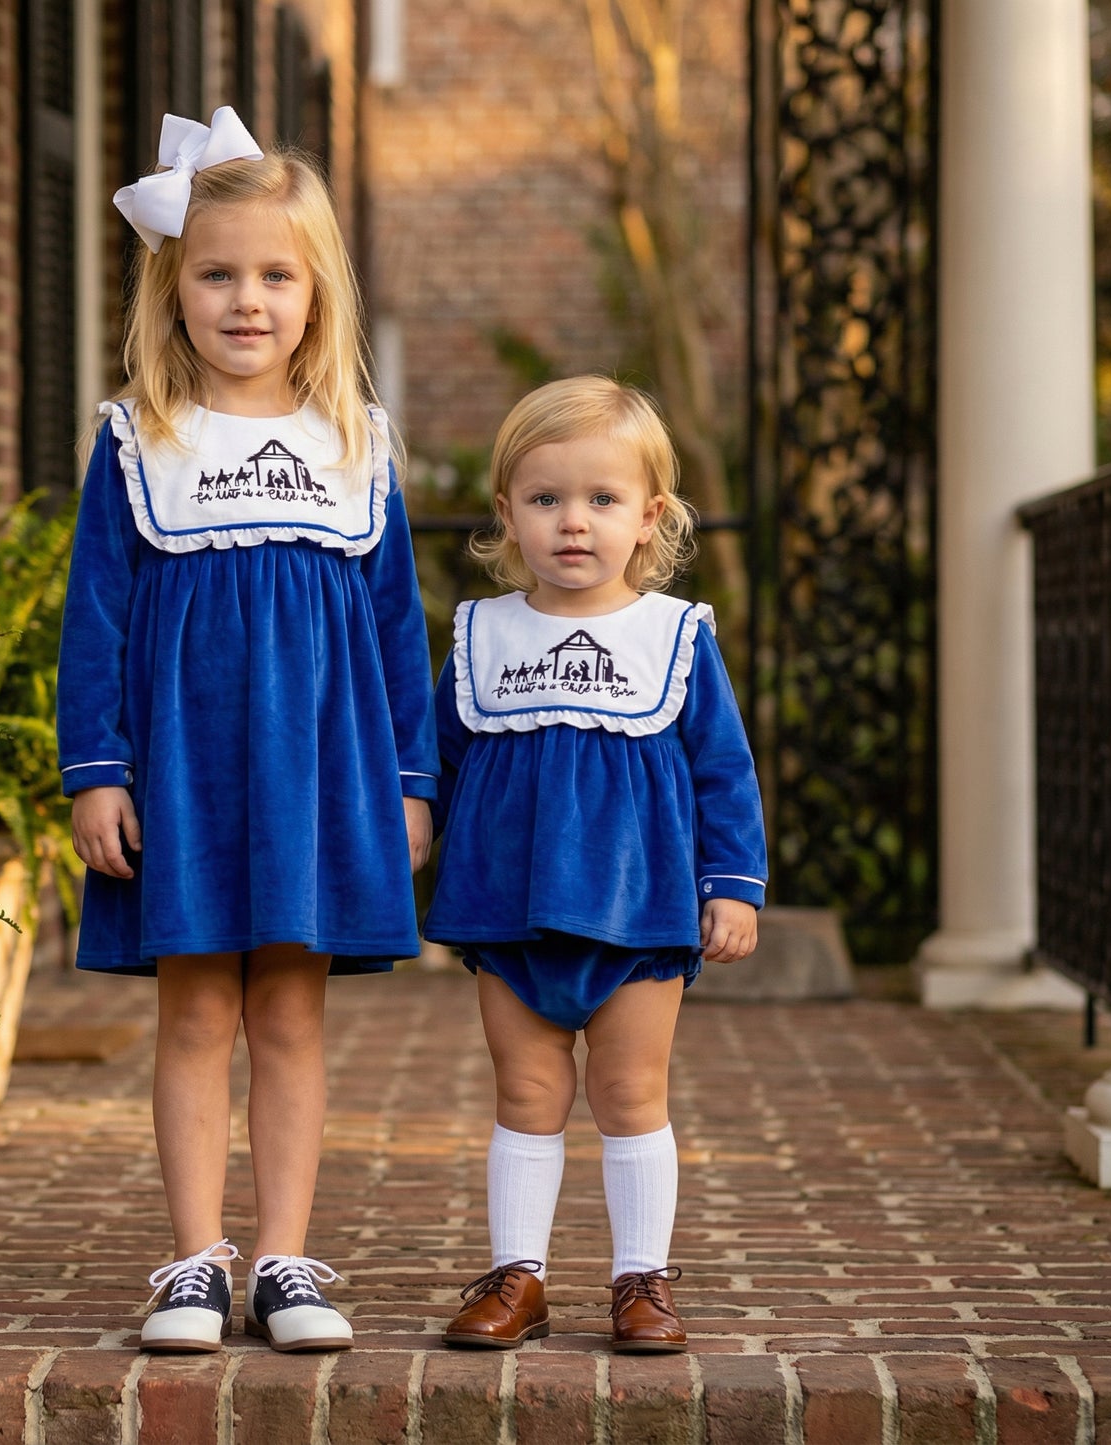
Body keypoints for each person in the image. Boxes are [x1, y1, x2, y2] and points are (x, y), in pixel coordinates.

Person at [57, 108, 437, 1355]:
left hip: (316, 779)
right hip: (185, 777)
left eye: (276, 275)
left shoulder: (355, 445)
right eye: (217, 274)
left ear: (316, 293)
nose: (246, 300)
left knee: (288, 1015)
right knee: (193, 1014)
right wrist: (97, 771)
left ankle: (281, 1258)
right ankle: (191, 1262)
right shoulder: (137, 442)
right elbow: (96, 619)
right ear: (173, 289)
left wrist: (409, 779)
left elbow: (396, 627)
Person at [424, 376, 765, 1352]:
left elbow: (722, 771)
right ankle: (518, 1276)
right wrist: (405, 833)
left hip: (639, 911)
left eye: (601, 498)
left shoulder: (673, 634)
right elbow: (437, 762)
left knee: (629, 1095)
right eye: (545, 498)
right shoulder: (482, 634)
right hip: (507, 907)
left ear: (647, 516)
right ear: (506, 513)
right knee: (526, 1096)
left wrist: (732, 884)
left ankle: (639, 1279)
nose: (572, 521)